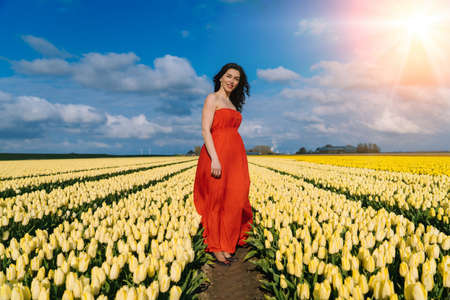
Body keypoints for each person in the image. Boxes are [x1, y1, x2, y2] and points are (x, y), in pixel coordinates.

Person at [193, 63, 253, 265]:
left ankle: (228, 242)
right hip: (216, 154)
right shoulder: (212, 98)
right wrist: (215, 158)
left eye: (236, 79)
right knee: (217, 198)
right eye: (229, 76)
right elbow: (205, 130)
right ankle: (217, 246)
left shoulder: (232, 103)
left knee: (235, 196)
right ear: (220, 77)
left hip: (235, 157)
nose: (232, 81)